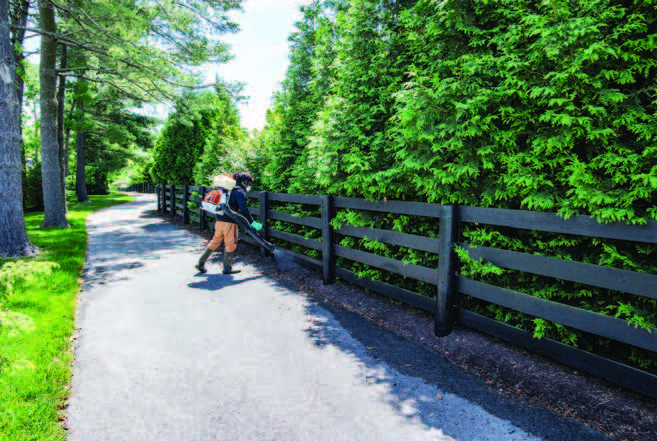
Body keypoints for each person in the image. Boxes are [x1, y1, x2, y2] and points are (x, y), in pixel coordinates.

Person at [195, 172, 263, 274]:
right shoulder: (239, 191)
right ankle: (227, 268)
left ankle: (201, 262)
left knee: (215, 241)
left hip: (219, 219)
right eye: (248, 183)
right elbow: (243, 209)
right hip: (230, 222)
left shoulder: (227, 189)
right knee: (231, 243)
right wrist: (252, 222)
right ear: (244, 182)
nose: (249, 186)